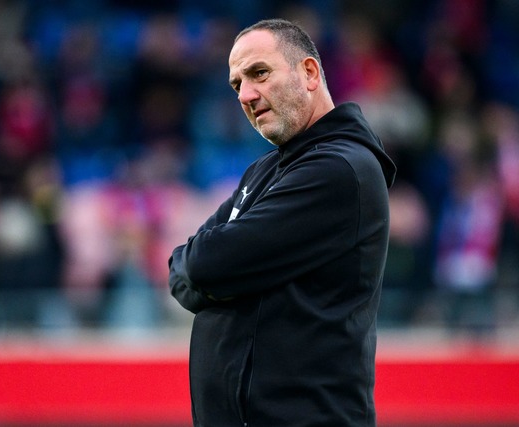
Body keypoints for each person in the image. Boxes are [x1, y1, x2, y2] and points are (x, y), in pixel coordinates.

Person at [168, 19, 396, 426]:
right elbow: (181, 272)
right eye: (237, 84)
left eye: (259, 73)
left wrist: (210, 273)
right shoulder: (265, 170)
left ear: (309, 72)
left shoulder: (339, 169)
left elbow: (204, 265)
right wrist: (209, 271)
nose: (247, 95)